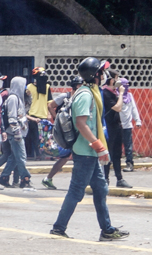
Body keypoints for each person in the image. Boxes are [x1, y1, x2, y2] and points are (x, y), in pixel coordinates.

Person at [50, 57, 129, 241]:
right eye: (102, 72)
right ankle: (58, 228)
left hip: (90, 152)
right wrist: (99, 145)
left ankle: (107, 230)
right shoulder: (85, 95)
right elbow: (81, 124)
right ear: (95, 75)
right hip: (85, 151)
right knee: (76, 191)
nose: (104, 75)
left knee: (101, 189)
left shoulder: (92, 92)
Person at [43, 76, 82, 190]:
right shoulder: (65, 96)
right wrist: (57, 120)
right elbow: (50, 105)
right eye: (80, 85)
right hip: (66, 132)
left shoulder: (81, 98)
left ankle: (48, 178)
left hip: (76, 130)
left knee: (66, 157)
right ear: (75, 86)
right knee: (70, 156)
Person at [0, 76, 33, 190]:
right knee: (22, 157)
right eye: (24, 85)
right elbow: (12, 117)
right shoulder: (13, 98)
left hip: (19, 132)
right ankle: (25, 179)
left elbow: (23, 112)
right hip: (15, 134)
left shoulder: (19, 98)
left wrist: (29, 98)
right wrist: (16, 132)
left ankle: (4, 177)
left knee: (13, 157)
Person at [101, 69, 131, 188]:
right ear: (111, 80)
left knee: (117, 154)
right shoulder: (106, 93)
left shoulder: (114, 93)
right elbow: (118, 108)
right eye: (116, 78)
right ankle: (105, 179)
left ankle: (119, 178)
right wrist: (121, 93)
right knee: (108, 154)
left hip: (117, 126)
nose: (118, 81)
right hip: (108, 128)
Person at [26, 67, 52, 159]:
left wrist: (49, 114)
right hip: (32, 115)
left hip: (44, 116)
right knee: (34, 137)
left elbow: (49, 101)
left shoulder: (47, 87)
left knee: (44, 138)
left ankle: (43, 154)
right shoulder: (29, 87)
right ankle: (36, 154)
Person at [119, 78, 142, 172]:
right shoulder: (117, 95)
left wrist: (138, 120)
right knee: (115, 145)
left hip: (127, 125)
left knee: (128, 146)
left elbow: (133, 108)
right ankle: (114, 162)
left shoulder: (129, 96)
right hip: (118, 125)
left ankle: (129, 163)